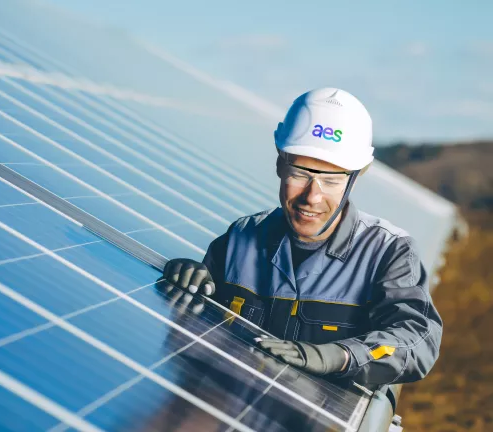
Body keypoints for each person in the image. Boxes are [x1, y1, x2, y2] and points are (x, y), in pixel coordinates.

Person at [162, 88, 442, 386]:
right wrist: (191, 281)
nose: (313, 196)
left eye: (331, 180)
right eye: (300, 174)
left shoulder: (388, 253)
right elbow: (193, 336)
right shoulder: (240, 238)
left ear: (357, 177)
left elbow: (417, 341)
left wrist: (341, 356)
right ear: (280, 163)